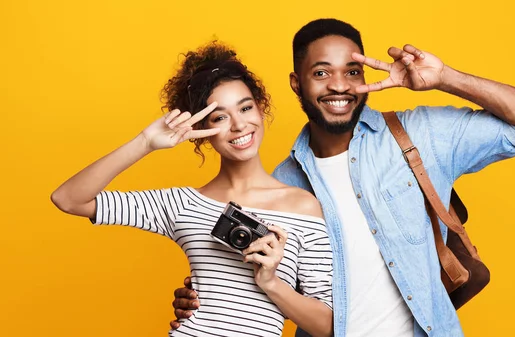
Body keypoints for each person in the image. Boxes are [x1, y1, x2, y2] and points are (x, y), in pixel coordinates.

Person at [171, 19, 515, 337]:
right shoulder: (279, 187)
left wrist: (445, 78)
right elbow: (261, 290)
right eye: (321, 72)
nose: (340, 85)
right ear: (297, 83)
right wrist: (204, 300)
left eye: (352, 71)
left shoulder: (419, 136)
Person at [51, 41, 334, 337]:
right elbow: (68, 199)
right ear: (200, 132)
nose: (239, 125)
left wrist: (270, 282)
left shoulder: (304, 206)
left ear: (261, 109)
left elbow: (327, 326)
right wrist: (145, 142)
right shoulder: (183, 204)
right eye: (220, 117)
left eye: (246, 107)